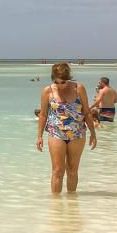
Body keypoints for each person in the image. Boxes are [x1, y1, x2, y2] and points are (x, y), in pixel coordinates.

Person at [36, 62, 96, 194]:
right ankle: (56, 207)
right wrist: (39, 136)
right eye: (56, 82)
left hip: (77, 134)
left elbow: (87, 112)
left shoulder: (78, 88)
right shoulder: (47, 91)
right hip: (56, 134)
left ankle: (72, 204)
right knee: (57, 171)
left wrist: (93, 132)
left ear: (68, 78)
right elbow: (43, 115)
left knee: (72, 170)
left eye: (63, 82)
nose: (60, 85)